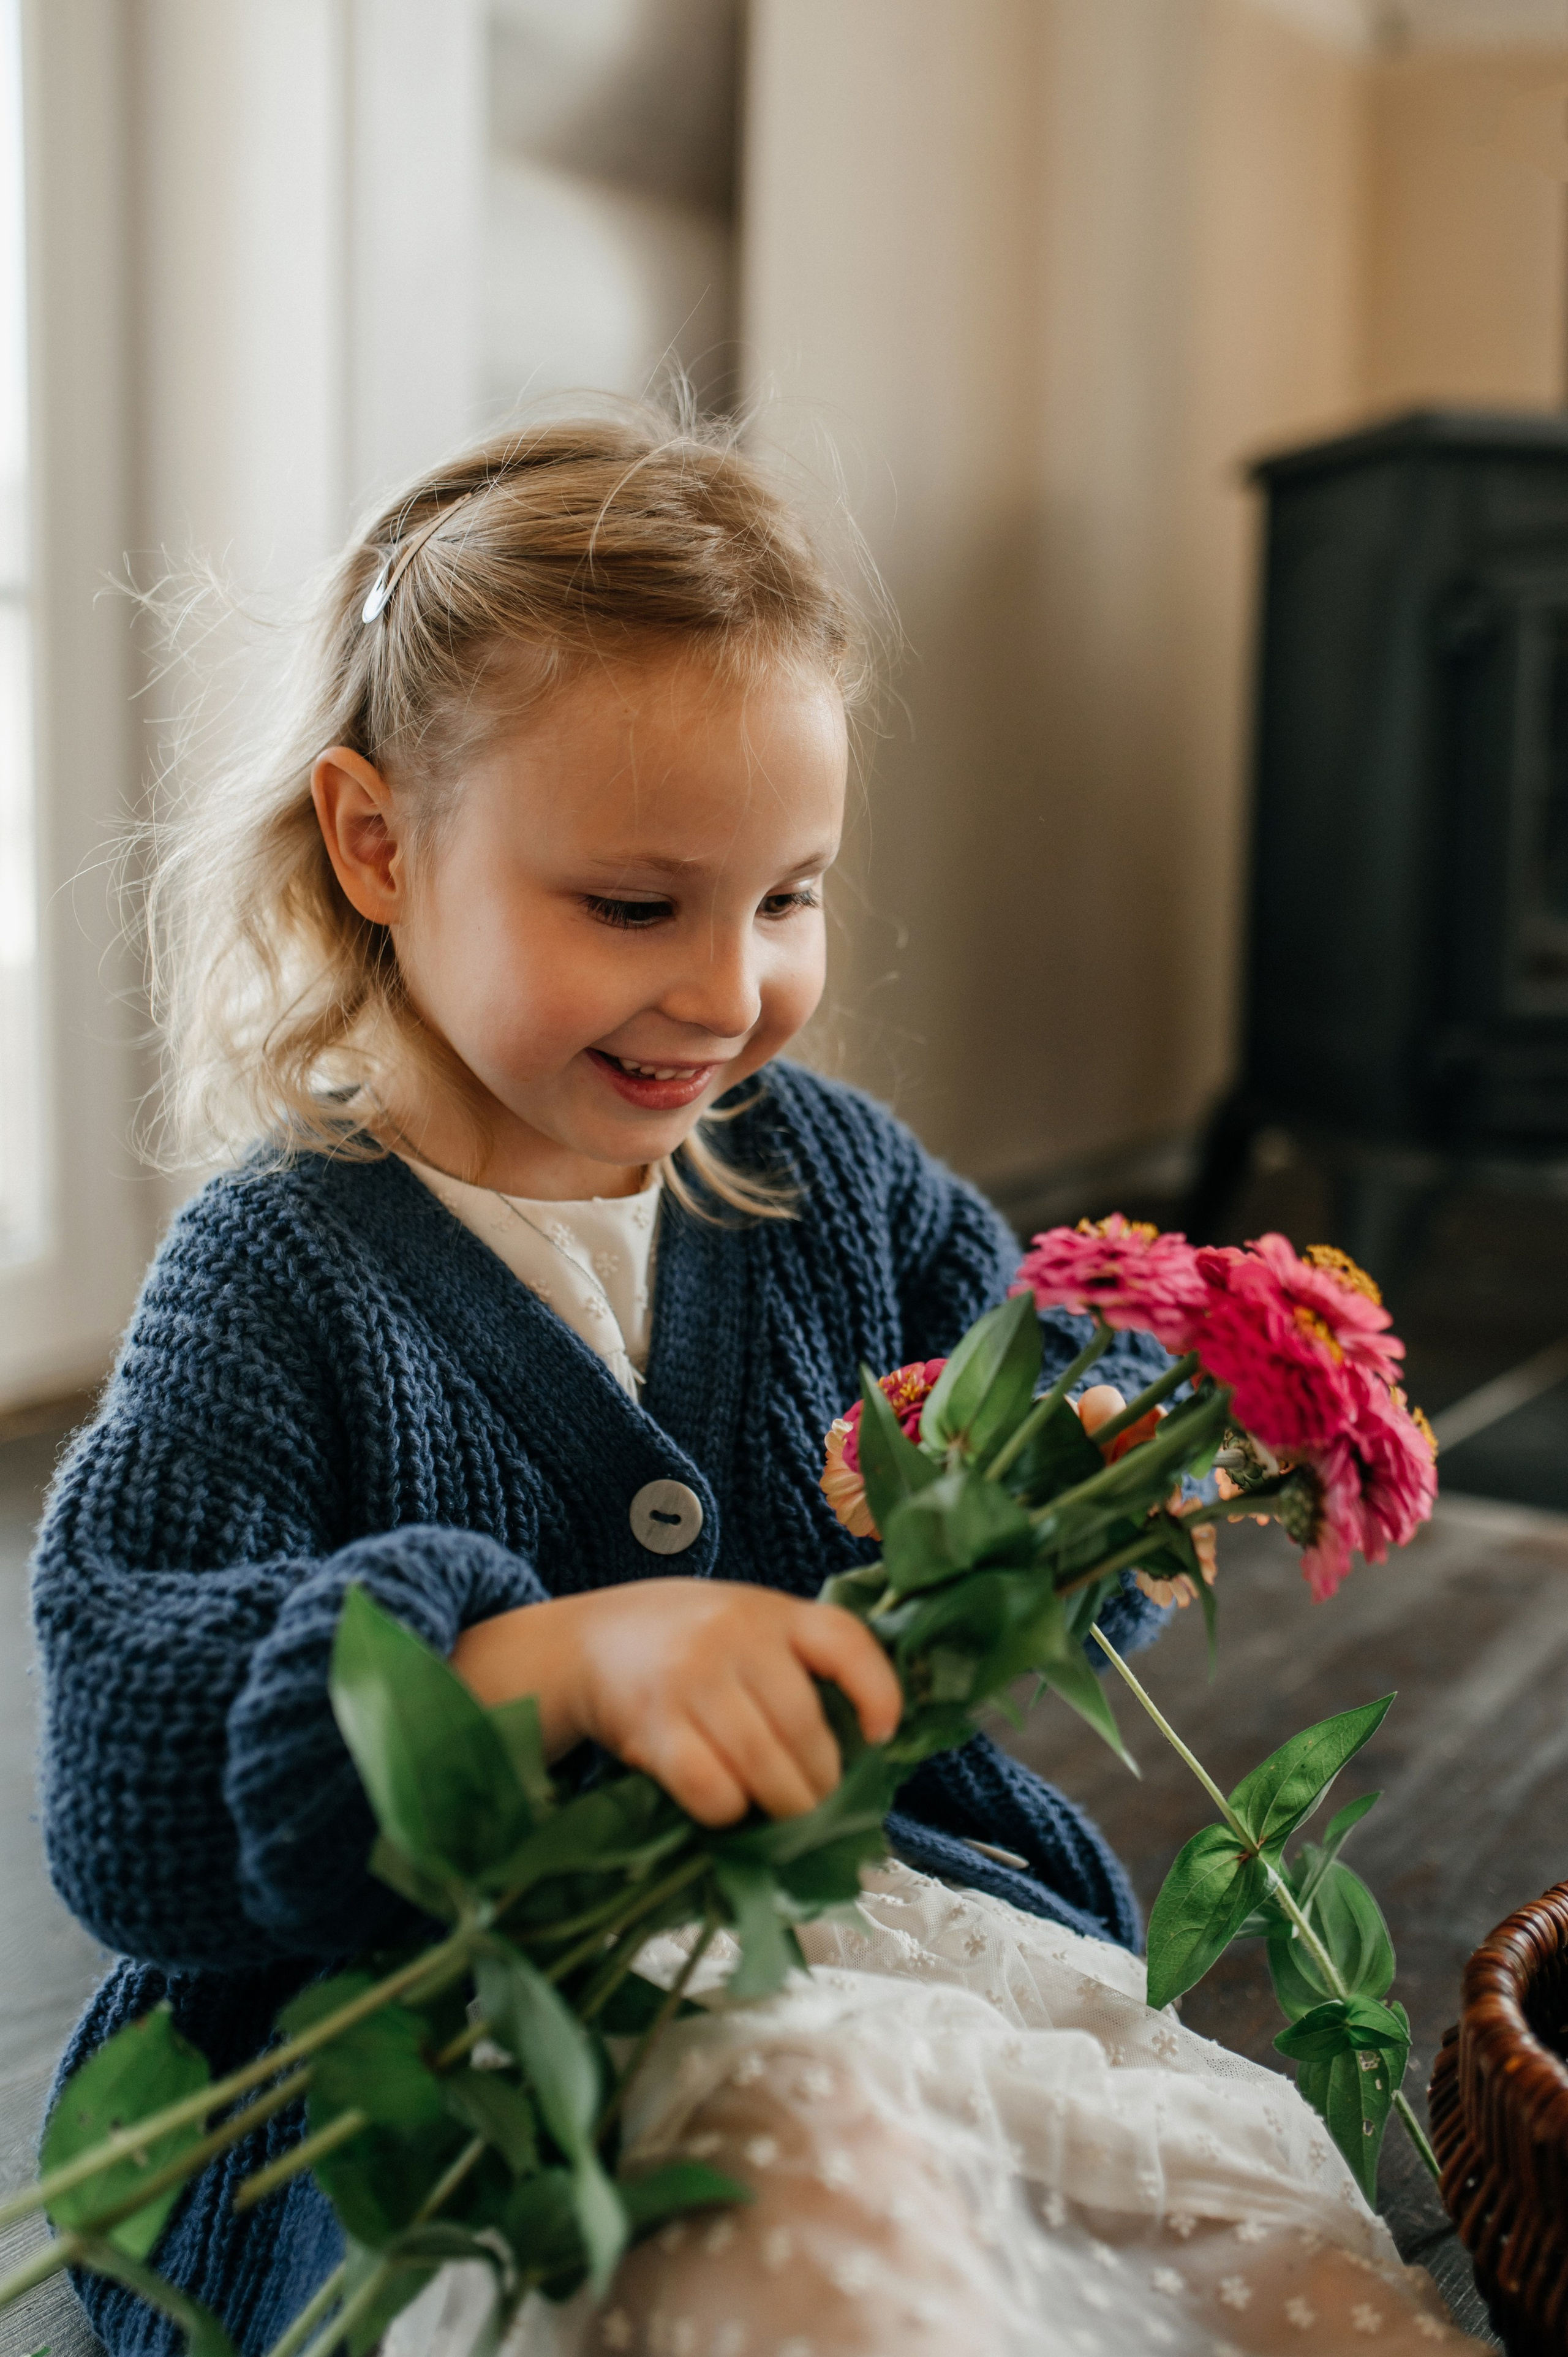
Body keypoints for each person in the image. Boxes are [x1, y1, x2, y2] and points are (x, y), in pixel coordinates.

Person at [31, 405, 1475, 2357]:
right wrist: (526, 1668)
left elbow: (1053, 1408)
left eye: (786, 896)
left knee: (1266, 2253)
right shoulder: (276, 1273)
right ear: (379, 844)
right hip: (457, 2044)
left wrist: (1099, 1460)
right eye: (637, 905)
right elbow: (132, 1743)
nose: (728, 993)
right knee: (812, 2191)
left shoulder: (835, 1182)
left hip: (869, 1927)